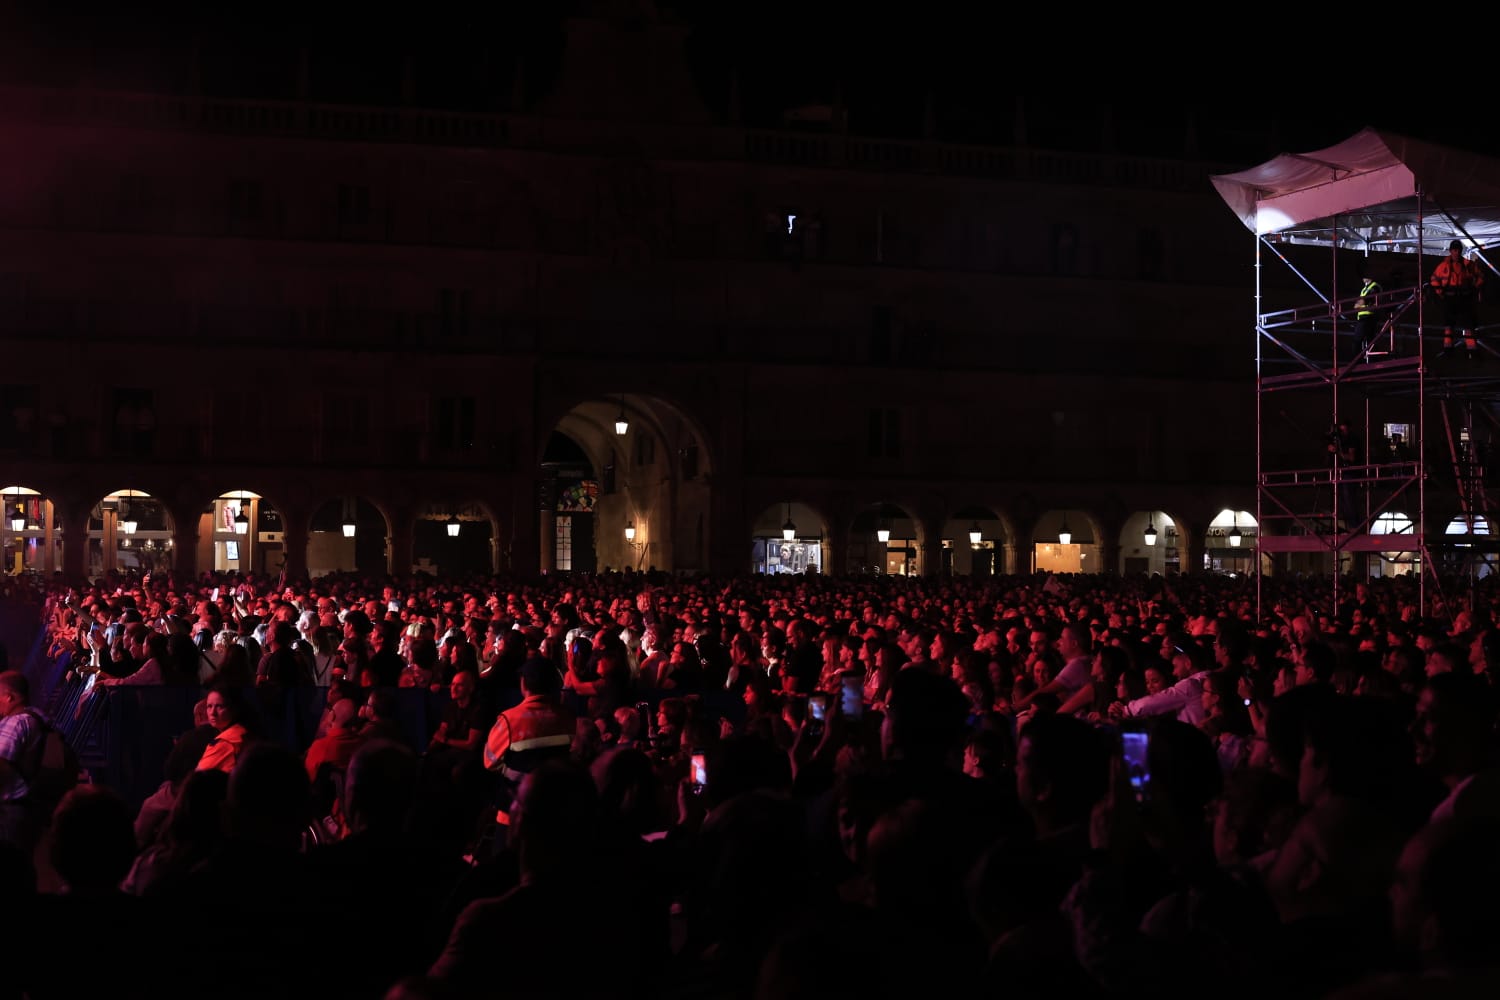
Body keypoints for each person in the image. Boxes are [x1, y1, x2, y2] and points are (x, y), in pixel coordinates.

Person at [1430, 239, 1484, 359]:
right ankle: (1448, 350)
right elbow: (1433, 279)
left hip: (1465, 298)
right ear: (1450, 251)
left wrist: (1475, 288)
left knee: (1468, 325)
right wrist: (1440, 293)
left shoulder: (1468, 265)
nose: (1456, 252)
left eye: (1458, 250)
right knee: (1449, 326)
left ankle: (1472, 351)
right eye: (1454, 250)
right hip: (1450, 298)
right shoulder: (1443, 266)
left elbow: (1480, 276)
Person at [1353, 265, 1384, 357]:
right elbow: (1360, 302)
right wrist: (1359, 304)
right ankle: (1369, 360)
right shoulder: (1364, 288)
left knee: (1358, 340)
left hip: (1369, 317)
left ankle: (1356, 361)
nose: (1362, 278)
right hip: (1364, 317)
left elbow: (1368, 298)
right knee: (1369, 340)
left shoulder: (1375, 286)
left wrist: (1359, 304)